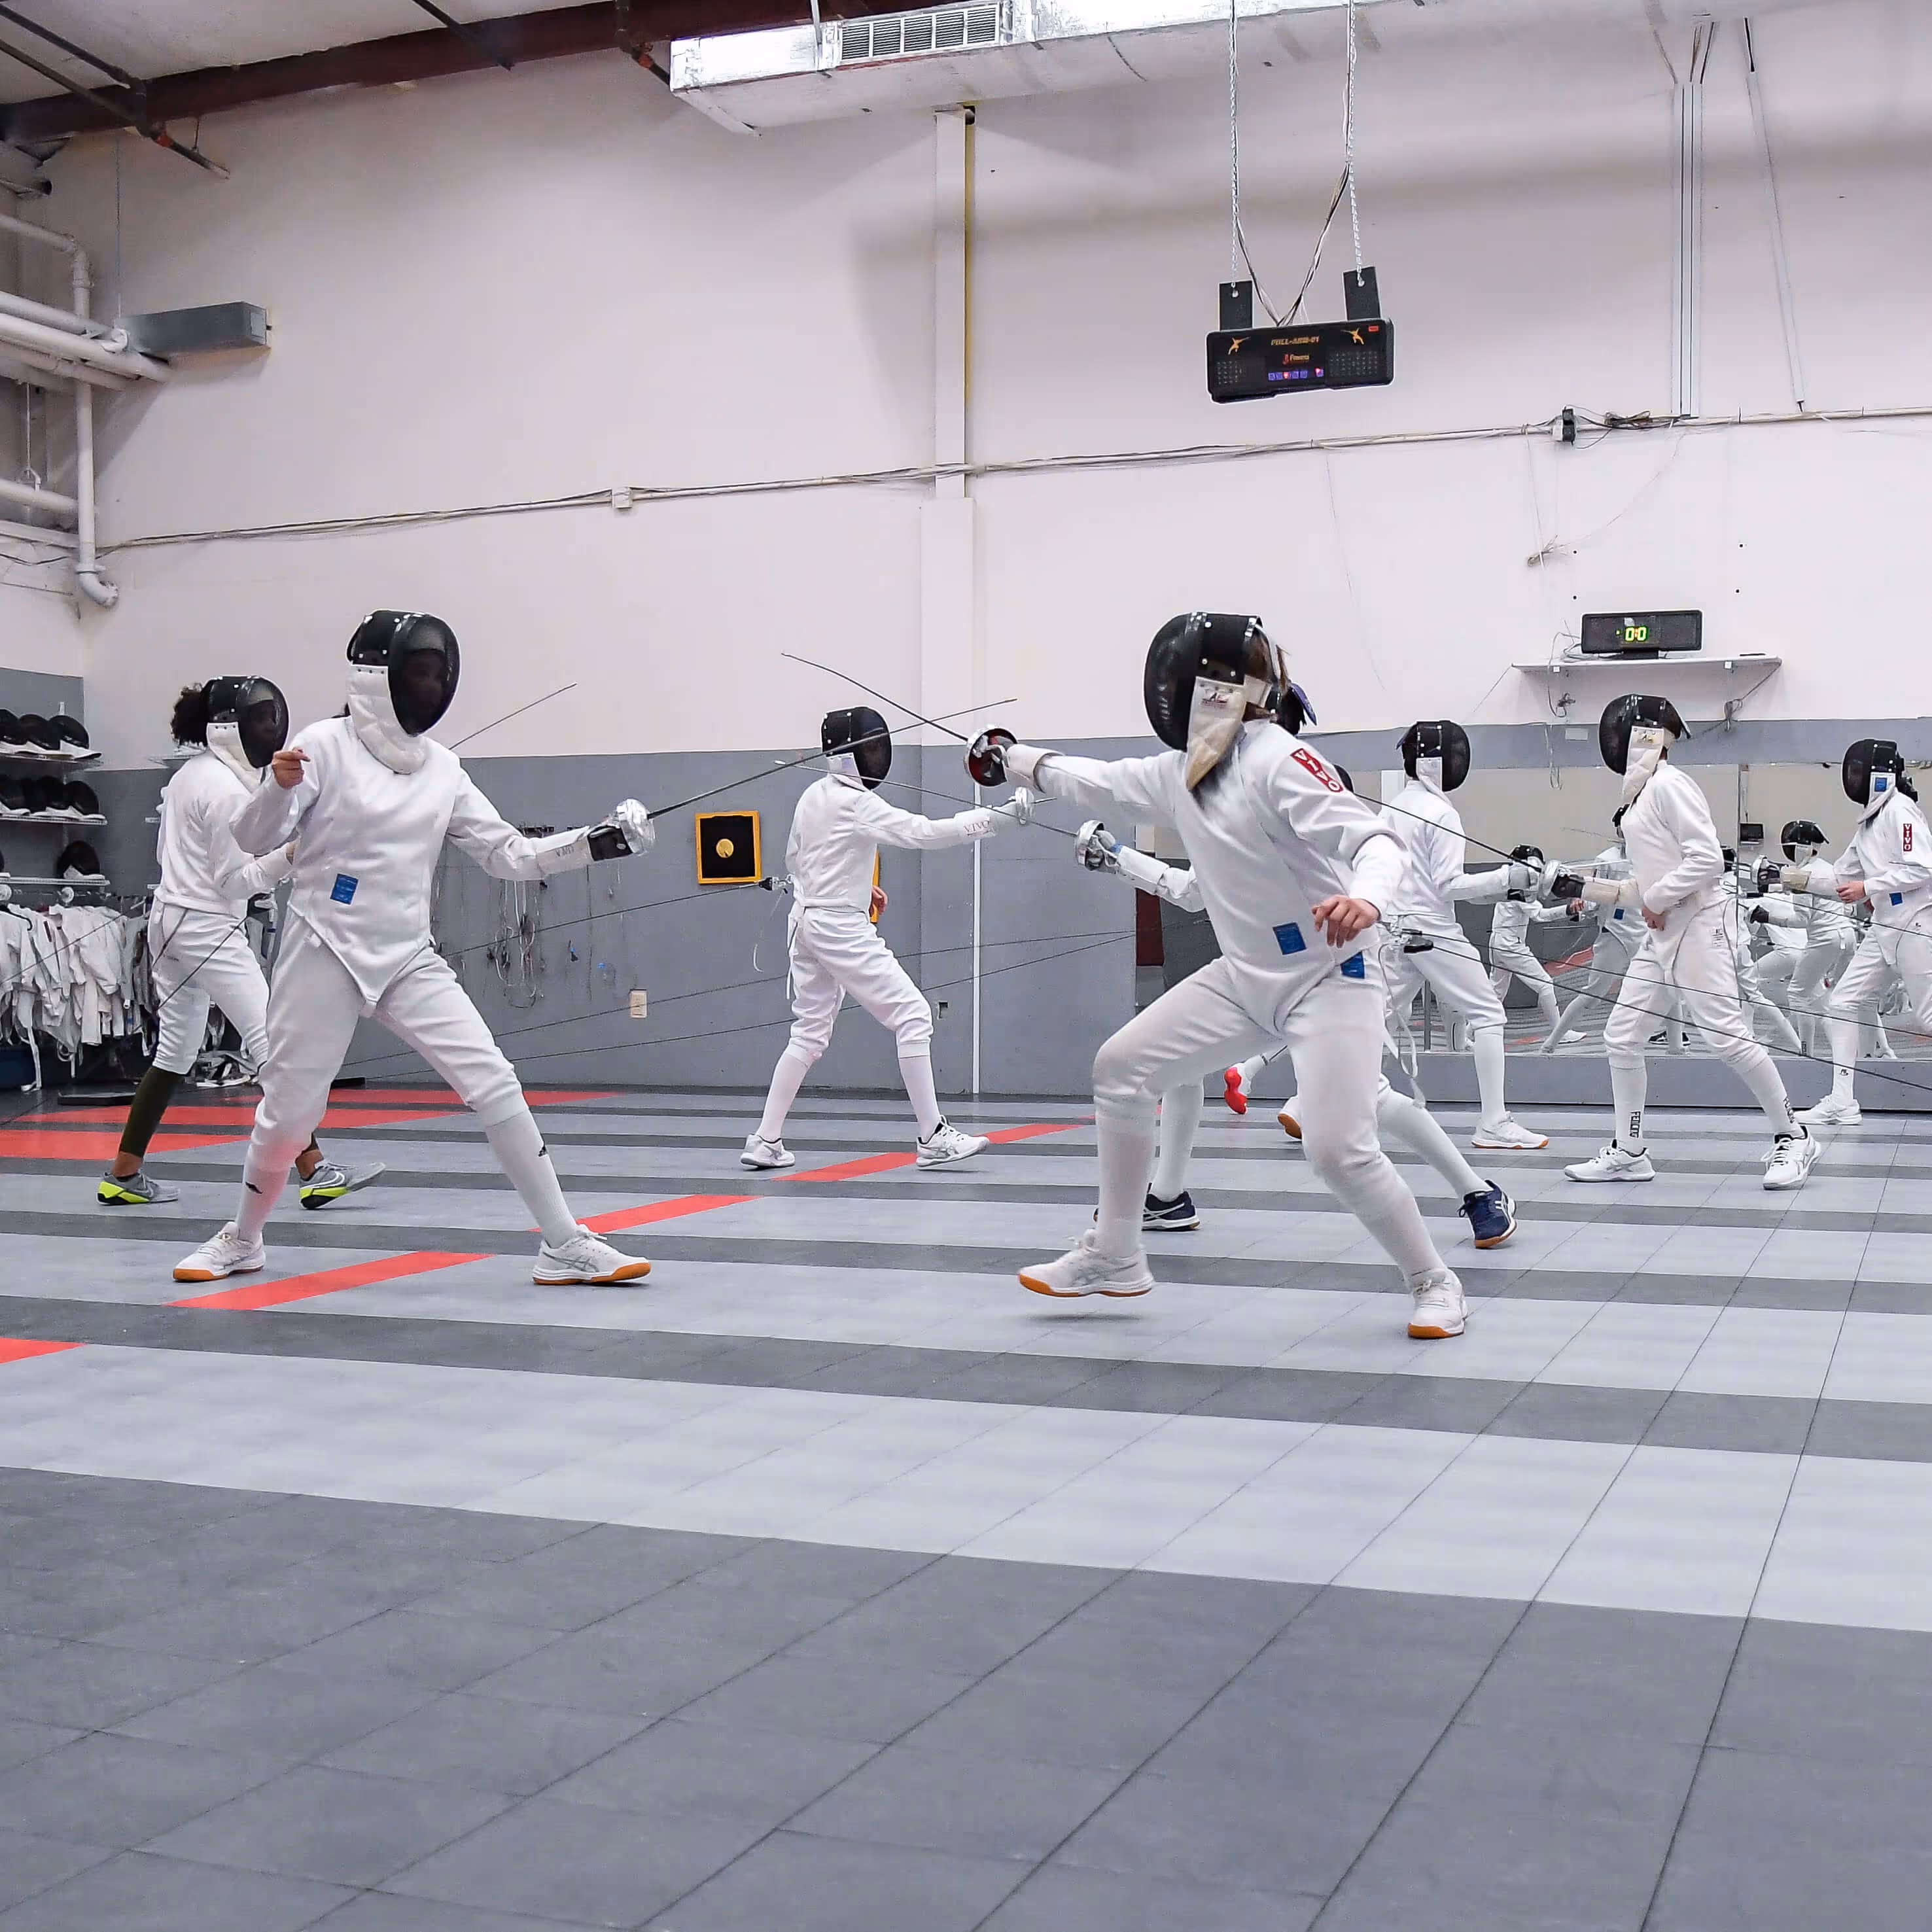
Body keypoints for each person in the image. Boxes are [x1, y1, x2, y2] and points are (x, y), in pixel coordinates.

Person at [975, 610, 1473, 1339]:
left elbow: (1375, 838)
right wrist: (1012, 758)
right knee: (1121, 1068)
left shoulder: (1276, 759)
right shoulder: (1183, 768)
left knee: (1336, 1148)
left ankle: (1435, 1280)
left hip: (1329, 975)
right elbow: (1097, 782)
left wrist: (1366, 897)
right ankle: (1116, 1253)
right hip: (1245, 976)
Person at [173, 611, 658, 1285]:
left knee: (494, 1082)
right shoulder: (323, 746)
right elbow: (254, 840)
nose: (429, 687)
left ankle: (563, 1241)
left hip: (406, 955)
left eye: (437, 674)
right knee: (289, 1113)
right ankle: (243, 1237)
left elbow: (507, 853)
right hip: (325, 949)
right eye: (417, 673)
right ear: (379, 679)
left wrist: (591, 843)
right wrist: (276, 787)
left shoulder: (444, 769)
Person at [101, 678, 379, 1209]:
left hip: (168, 923)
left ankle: (123, 1173)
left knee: (176, 1051)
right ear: (231, 727)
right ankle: (315, 1169)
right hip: (207, 926)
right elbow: (233, 883)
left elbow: (180, 859)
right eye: (259, 720)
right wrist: (292, 856)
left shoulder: (188, 776)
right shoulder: (226, 789)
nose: (268, 730)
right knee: (272, 1043)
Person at [1559, 695, 1815, 1189]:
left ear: (1642, 736)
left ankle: (1794, 1133)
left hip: (1699, 927)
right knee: (1621, 1036)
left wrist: (1654, 898)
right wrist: (1581, 887)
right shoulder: (1639, 796)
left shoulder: (1670, 786)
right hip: (1663, 936)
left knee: (1729, 1041)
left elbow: (1706, 862)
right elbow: (1647, 885)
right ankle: (1630, 1150)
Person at [742, 706, 1001, 1172]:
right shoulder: (856, 803)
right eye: (871, 749)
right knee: (913, 1014)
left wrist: (858, 888)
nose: (878, 757)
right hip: (838, 926)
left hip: (806, 920)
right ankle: (932, 1135)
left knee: (809, 1031)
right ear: (847, 756)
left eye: (881, 748)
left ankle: (765, 1140)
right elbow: (921, 833)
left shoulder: (812, 795)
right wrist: (991, 820)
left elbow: (798, 861)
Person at [1380, 721, 1548, 1150]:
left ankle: (1311, 1104)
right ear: (1437, 762)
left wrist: (1506, 882)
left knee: (1370, 1018)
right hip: (1433, 930)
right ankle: (1493, 1121)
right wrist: (1506, 876)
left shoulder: (1392, 807)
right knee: (1488, 1014)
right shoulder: (1441, 812)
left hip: (1394, 928)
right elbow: (1448, 885)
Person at [1072, 820, 1220, 1231]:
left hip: (1290, 982)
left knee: (1349, 1127)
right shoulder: (1253, 828)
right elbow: (1190, 890)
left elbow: (1189, 892)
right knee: (1178, 1065)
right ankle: (1165, 1199)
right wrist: (1118, 856)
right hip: (1258, 978)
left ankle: (1121, 1244)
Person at [1786, 742, 1932, 1127]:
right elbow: (1838, 878)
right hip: (1886, 927)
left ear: (1879, 774)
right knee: (1844, 1002)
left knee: (1929, 1018)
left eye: (1859, 772)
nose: (1853, 780)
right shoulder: (1869, 821)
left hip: (1917, 923)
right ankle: (1842, 1101)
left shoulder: (1899, 811)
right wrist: (1790, 880)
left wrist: (1869, 889)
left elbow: (1922, 869)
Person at [1751, 818, 1859, 1057]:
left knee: (1797, 993)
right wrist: (1776, 887)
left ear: (1800, 847)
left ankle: (1806, 1053)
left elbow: (1802, 920)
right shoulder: (1829, 868)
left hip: (1825, 940)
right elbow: (1840, 903)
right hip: (1848, 937)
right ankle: (1848, 1053)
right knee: (1829, 1001)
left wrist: (1768, 917)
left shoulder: (1802, 874)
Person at [1485, 843, 1574, 1042]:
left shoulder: (1510, 883)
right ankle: (1560, 1034)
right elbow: (1541, 915)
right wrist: (1567, 911)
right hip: (1510, 946)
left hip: (1498, 943)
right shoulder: (1518, 887)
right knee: (1545, 985)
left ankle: (1466, 1035)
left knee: (1495, 993)